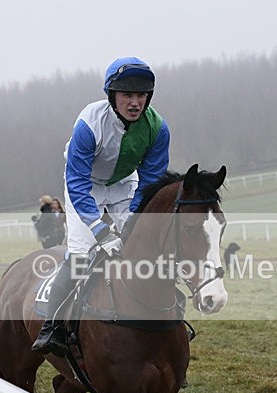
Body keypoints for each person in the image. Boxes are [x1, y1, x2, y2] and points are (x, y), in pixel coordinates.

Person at [31, 56, 170, 353]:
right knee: (81, 256)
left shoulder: (158, 128)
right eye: (127, 95)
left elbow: (150, 182)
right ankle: (52, 327)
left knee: (139, 247)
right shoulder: (88, 123)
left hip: (124, 185)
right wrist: (101, 231)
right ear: (112, 96)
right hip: (85, 186)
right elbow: (77, 182)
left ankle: (160, 318)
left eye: (141, 96)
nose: (135, 103)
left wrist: (131, 223)